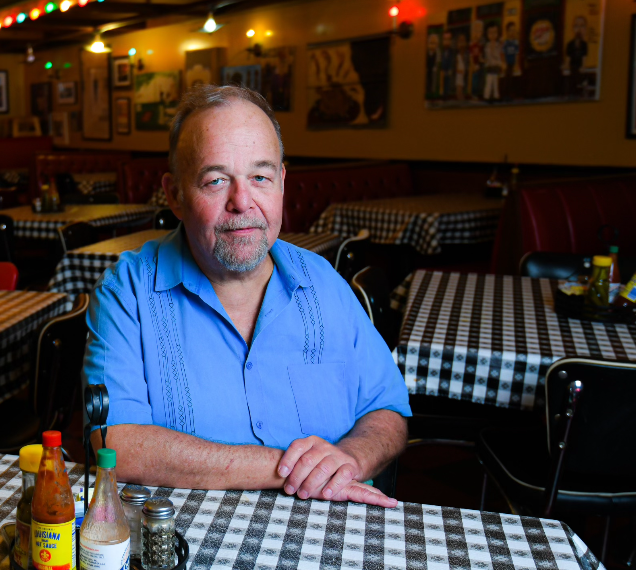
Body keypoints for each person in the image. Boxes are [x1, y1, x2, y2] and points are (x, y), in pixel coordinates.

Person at [83, 84, 410, 508]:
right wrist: (288, 469)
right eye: (216, 180)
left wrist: (350, 458)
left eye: (260, 177)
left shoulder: (325, 282)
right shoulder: (127, 292)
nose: (243, 202)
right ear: (175, 195)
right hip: (182, 547)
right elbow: (115, 443)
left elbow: (387, 410)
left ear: (282, 183)